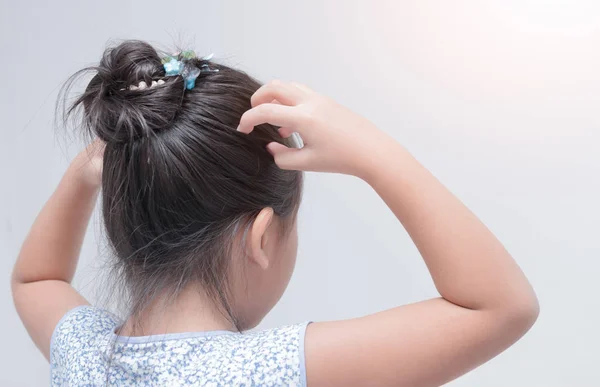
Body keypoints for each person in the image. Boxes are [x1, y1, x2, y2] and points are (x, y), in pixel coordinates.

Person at [12, 40, 539, 386]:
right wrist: (375, 152)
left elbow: (35, 279)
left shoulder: (81, 355)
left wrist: (85, 172)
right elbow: (500, 307)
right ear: (260, 237)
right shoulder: (271, 372)